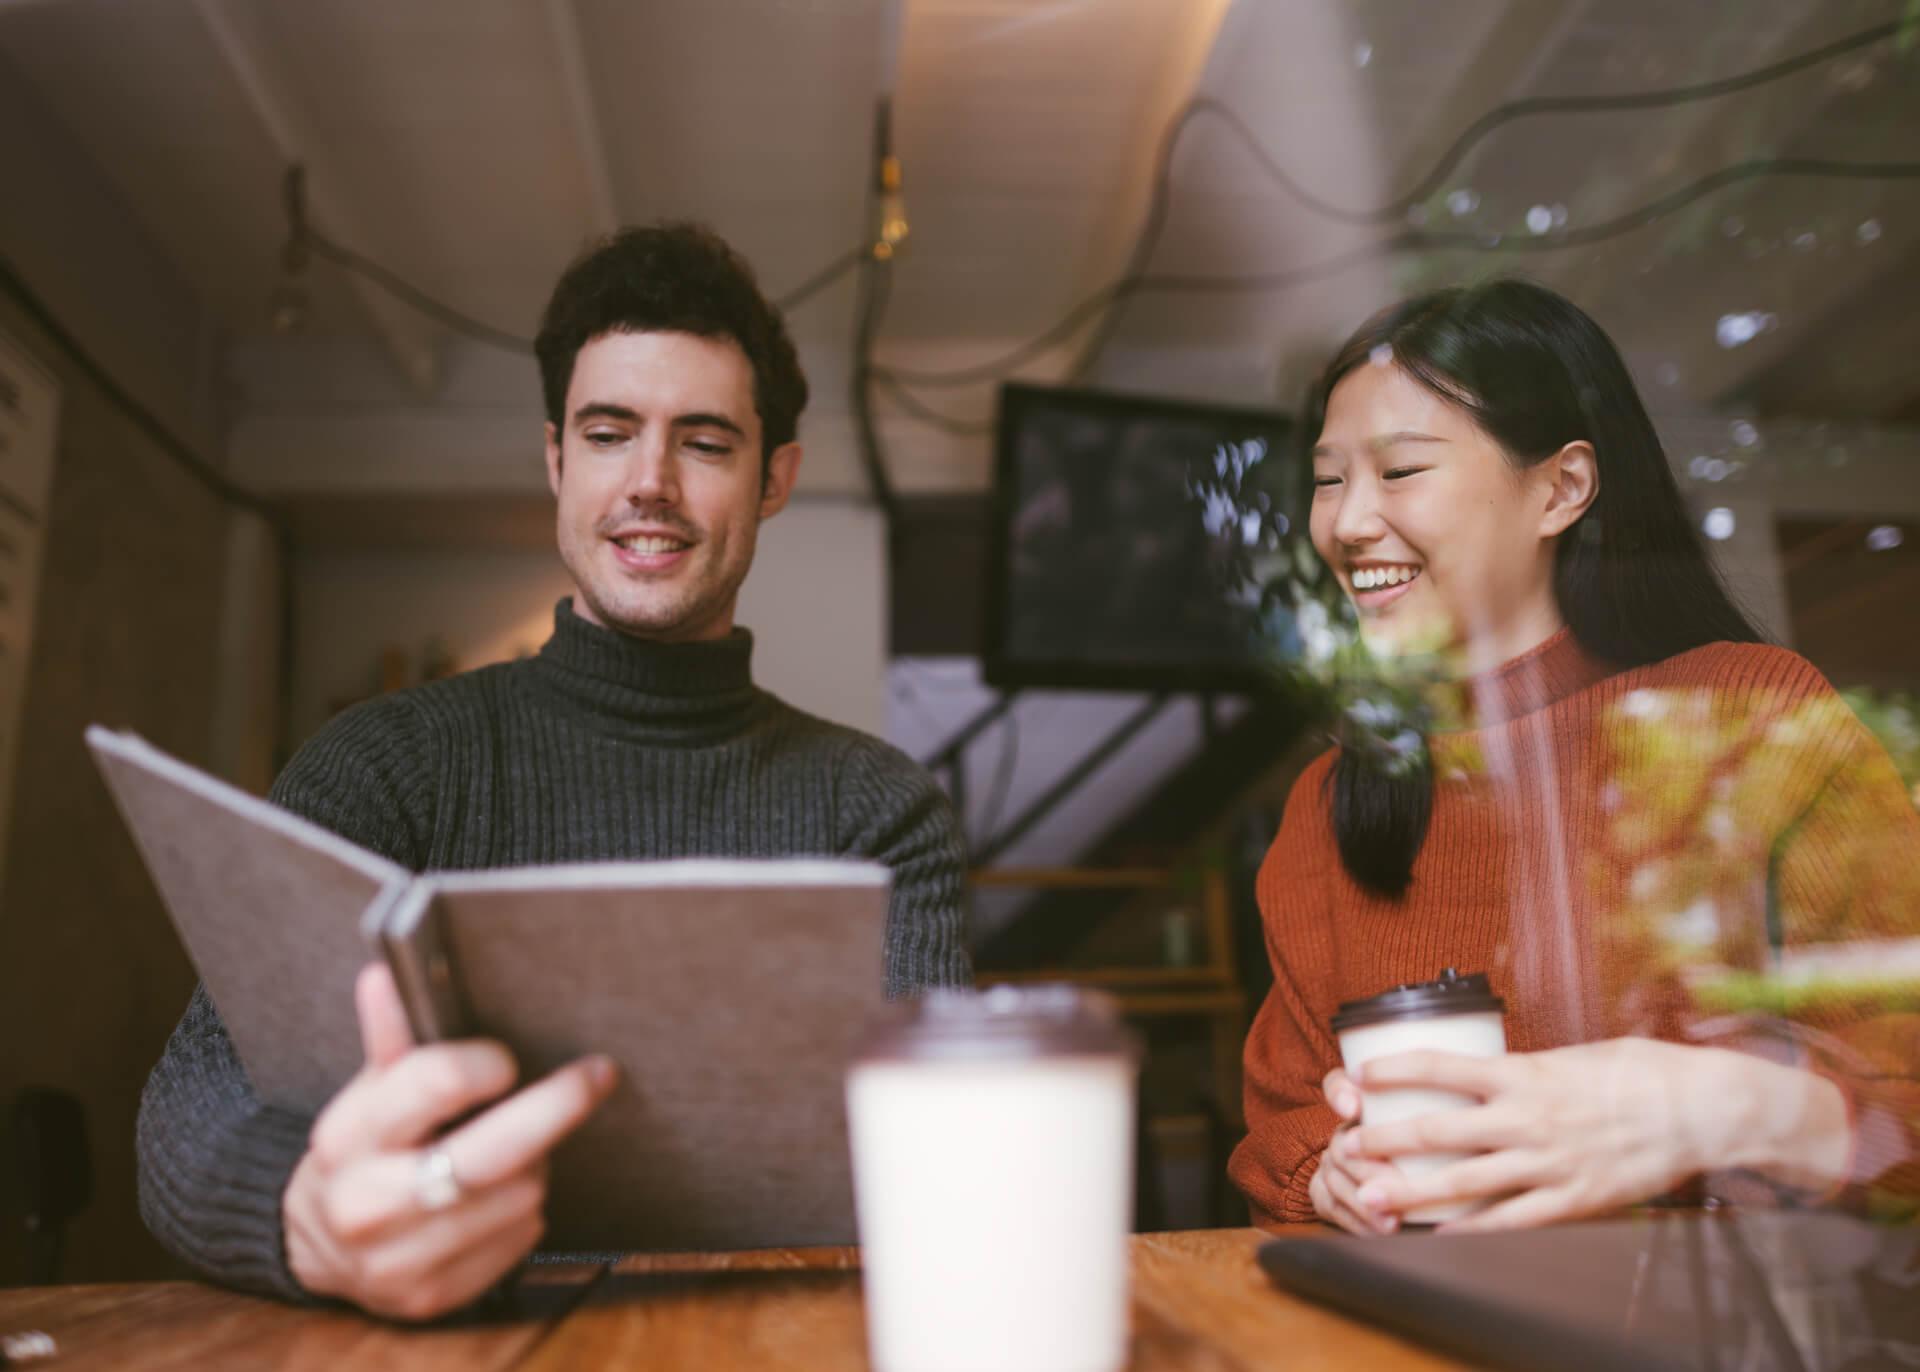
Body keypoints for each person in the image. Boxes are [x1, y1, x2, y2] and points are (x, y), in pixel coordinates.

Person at [136, 222, 971, 1320]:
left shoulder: (880, 810)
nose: (651, 483)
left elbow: (938, 1151)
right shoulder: (382, 766)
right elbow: (195, 1098)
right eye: (610, 432)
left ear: (775, 479)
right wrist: (305, 1214)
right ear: (555, 459)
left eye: (706, 443)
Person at [1229, 278, 1920, 1236]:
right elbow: (1285, 1119)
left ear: (1562, 488)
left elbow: (1905, 1094)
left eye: (1399, 472)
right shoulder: (1333, 799)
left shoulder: (1747, 714)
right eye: (1330, 478)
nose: (1345, 524)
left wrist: (1702, 1110)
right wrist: (1332, 1172)